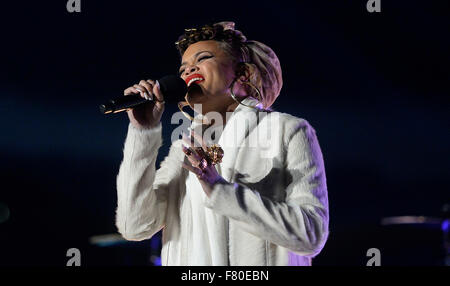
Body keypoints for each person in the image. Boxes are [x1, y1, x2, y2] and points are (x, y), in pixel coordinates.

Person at [115, 21, 329, 266]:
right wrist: (143, 133)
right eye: (183, 68)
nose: (187, 72)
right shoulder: (184, 149)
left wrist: (220, 191)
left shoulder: (287, 131)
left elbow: (311, 235)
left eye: (203, 58)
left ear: (243, 74)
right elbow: (135, 226)